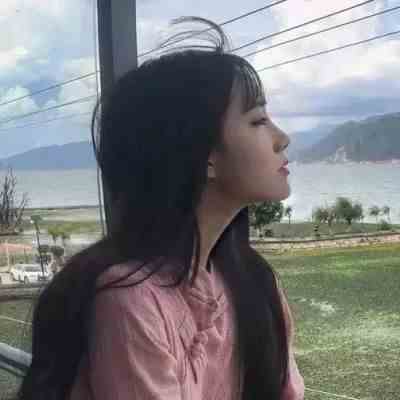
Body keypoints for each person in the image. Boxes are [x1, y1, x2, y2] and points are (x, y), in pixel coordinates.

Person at [18, 17, 304, 400]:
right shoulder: (131, 300)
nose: (282, 138)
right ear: (202, 153)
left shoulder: (255, 281)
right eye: (258, 120)